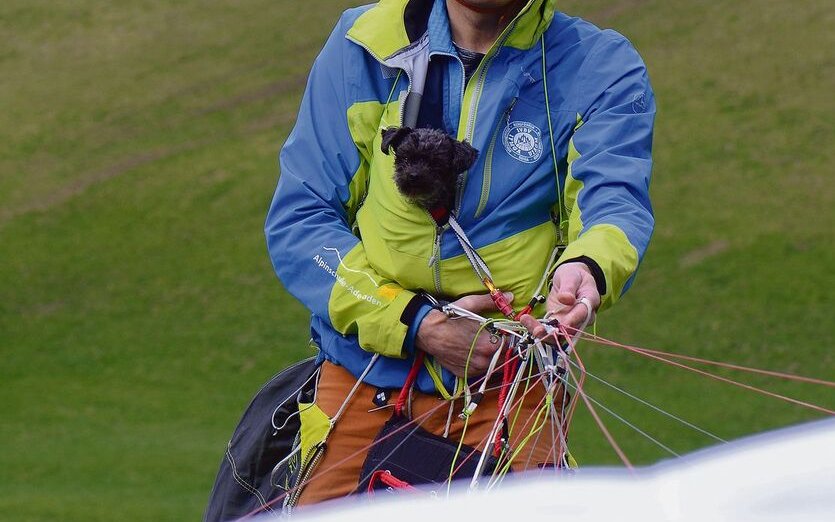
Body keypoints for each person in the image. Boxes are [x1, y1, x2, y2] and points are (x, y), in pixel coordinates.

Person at [265, 0, 654, 506]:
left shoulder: (599, 66)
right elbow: (300, 221)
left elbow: (613, 204)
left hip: (511, 386)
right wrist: (416, 323)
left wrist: (589, 266)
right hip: (364, 383)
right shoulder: (366, 41)